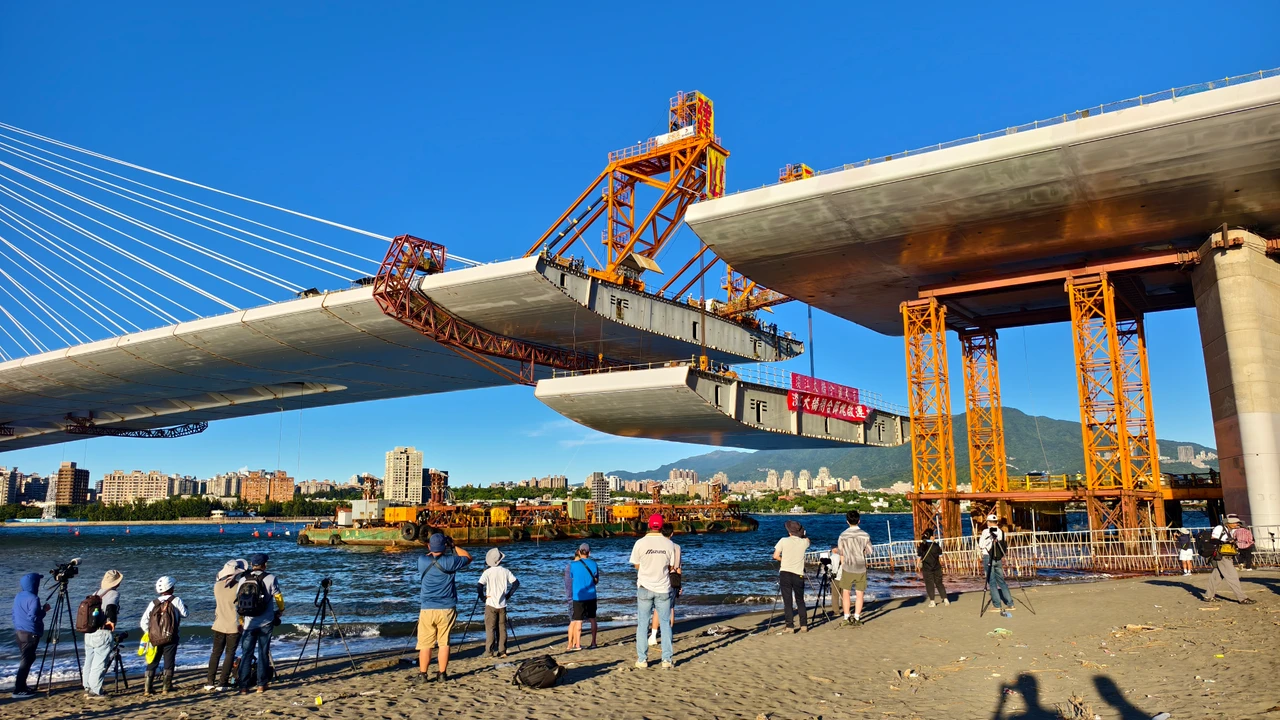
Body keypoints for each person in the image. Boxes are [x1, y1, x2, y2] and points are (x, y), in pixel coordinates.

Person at [416, 533, 472, 682]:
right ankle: (442, 674)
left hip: (427, 607)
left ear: (429, 546)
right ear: (445, 546)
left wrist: (434, 549)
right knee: (443, 643)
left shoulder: (422, 561)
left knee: (425, 644)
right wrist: (453, 545)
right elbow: (467, 557)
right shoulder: (451, 561)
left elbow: (429, 555)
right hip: (447, 607)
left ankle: (423, 674)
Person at [630, 513, 677, 669]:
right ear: (661, 526)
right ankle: (666, 660)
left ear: (649, 525)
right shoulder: (669, 545)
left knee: (643, 624)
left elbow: (636, 565)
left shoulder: (640, 543)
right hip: (663, 588)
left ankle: (642, 659)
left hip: (644, 587)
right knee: (665, 624)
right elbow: (671, 567)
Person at [236, 553, 285, 693]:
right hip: (266, 622)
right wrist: (281, 609)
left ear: (252, 565)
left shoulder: (243, 579)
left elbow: (238, 602)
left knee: (246, 653)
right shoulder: (271, 578)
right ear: (265, 565)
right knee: (263, 652)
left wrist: (241, 620)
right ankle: (261, 685)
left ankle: (243, 686)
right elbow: (278, 596)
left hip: (248, 623)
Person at [140, 576, 188, 695]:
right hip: (171, 636)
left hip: (154, 638)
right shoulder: (176, 600)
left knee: (153, 661)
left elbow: (143, 622)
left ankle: (147, 689)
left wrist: (150, 633)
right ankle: (166, 688)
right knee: (169, 661)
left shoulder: (153, 603)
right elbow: (185, 614)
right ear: (171, 588)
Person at [205, 559, 246, 691]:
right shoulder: (239, 586)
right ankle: (222, 683)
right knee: (230, 653)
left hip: (219, 623)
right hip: (234, 625)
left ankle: (210, 681)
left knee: (215, 653)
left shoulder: (217, 586)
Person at [83, 569, 124, 698]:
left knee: (89, 660)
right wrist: (112, 622)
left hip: (89, 632)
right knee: (100, 662)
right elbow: (111, 607)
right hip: (102, 632)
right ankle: (96, 690)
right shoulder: (113, 593)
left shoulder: (96, 593)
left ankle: (87, 686)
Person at [831, 510, 873, 625]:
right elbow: (870, 551)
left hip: (848, 566)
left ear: (847, 522)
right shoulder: (865, 535)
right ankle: (857, 617)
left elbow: (841, 552)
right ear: (859, 521)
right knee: (860, 593)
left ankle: (846, 616)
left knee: (846, 593)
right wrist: (861, 551)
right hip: (860, 566)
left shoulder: (843, 535)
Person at [11, 573, 49, 699]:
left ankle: (23, 686)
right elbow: (33, 618)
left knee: (27, 659)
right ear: (34, 584)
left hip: (19, 632)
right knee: (26, 661)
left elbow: (14, 614)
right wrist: (44, 611)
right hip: (30, 633)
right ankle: (19, 689)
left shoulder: (18, 596)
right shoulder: (34, 598)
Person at [477, 548, 518, 658]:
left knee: (490, 628)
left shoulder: (487, 572)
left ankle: (489, 652)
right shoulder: (505, 571)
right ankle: (502, 651)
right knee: (502, 628)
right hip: (502, 604)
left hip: (490, 603)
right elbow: (516, 583)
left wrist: (482, 598)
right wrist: (508, 595)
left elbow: (479, 586)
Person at [1204, 514, 1254, 605]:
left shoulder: (1230, 530)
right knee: (1233, 576)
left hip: (1227, 556)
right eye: (1235, 523)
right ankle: (1242, 598)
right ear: (1228, 523)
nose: (1237, 524)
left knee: (1216, 577)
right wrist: (1225, 542)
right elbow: (1213, 540)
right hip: (1222, 556)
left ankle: (1209, 596)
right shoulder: (1219, 528)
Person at [772, 520, 810, 633]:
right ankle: (804, 625)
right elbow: (807, 539)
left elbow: (775, 556)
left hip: (785, 573)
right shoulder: (804, 542)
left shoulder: (783, 541)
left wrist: (784, 560)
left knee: (787, 601)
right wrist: (803, 534)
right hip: (798, 574)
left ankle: (789, 626)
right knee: (800, 600)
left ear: (789, 532)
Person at [649, 524, 682, 646]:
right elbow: (678, 568)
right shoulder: (677, 547)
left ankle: (653, 635)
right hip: (674, 578)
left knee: (658, 607)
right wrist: (680, 584)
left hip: (661, 577)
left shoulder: (658, 546)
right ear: (672, 534)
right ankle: (668, 633)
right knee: (671, 607)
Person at [978, 514, 1015, 618]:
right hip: (998, 558)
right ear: (997, 522)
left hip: (988, 557)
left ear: (988, 522)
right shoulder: (1002, 532)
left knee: (992, 582)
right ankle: (1010, 604)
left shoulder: (986, 532)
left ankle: (997, 605)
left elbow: (981, 545)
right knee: (1002, 581)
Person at [566, 543, 600, 651]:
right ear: (589, 553)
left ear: (579, 552)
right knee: (593, 619)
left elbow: (571, 578)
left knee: (578, 620)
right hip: (591, 594)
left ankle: (578, 644)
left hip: (578, 596)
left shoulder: (573, 565)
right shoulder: (594, 564)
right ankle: (594, 642)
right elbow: (596, 580)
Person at [916, 529, 948, 607]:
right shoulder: (936, 546)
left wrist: (917, 564)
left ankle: (932, 601)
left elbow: (919, 557)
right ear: (931, 537)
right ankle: (945, 599)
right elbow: (940, 557)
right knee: (939, 583)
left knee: (929, 584)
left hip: (927, 568)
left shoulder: (922, 546)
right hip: (937, 567)